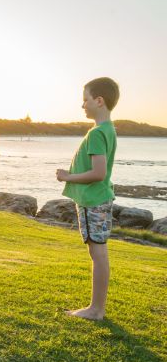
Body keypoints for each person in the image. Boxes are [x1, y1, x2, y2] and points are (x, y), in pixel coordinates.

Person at [56, 77, 119, 320]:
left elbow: (98, 173)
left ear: (99, 101)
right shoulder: (108, 130)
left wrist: (67, 176)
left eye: (85, 99)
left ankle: (96, 309)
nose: (82, 105)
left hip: (94, 200)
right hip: (98, 199)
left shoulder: (97, 133)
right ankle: (97, 308)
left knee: (98, 253)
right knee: (98, 252)